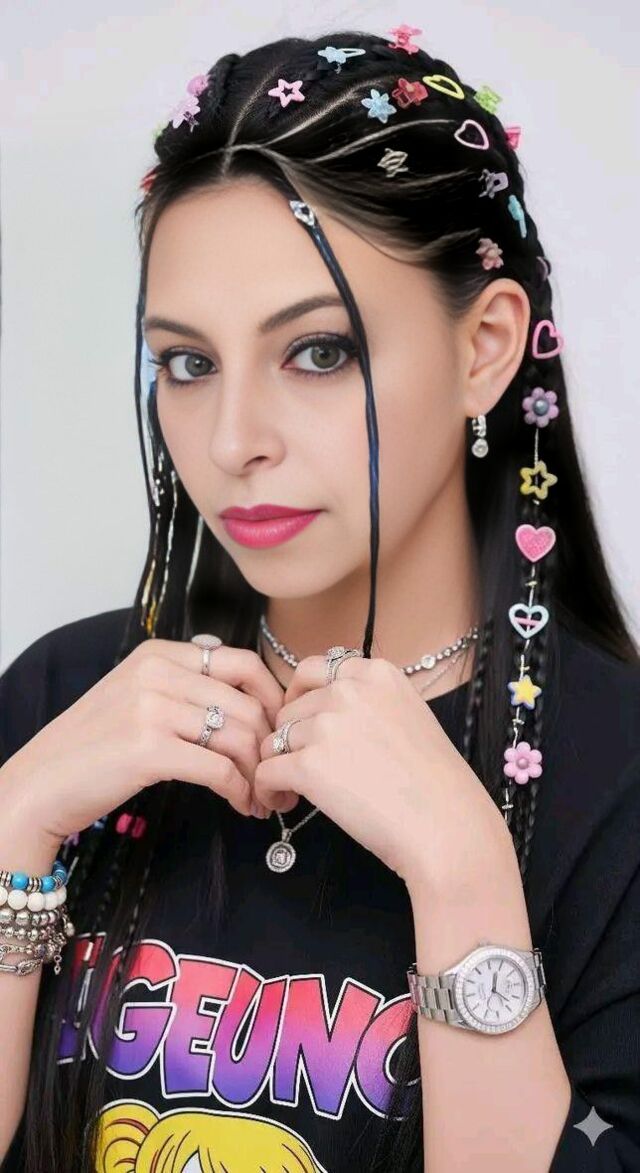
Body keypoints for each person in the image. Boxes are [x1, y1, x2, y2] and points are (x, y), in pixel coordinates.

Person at [0, 25, 638, 1173]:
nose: (232, 440)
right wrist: (13, 834)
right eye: (188, 364)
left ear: (486, 346)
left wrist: (462, 878)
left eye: (318, 353)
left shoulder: (620, 780)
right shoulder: (64, 699)